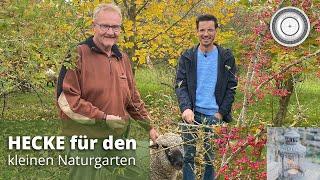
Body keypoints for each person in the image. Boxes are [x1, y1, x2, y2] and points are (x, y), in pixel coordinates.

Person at [56, 4, 158, 179]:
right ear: (94, 26)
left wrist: (148, 126)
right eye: (105, 26)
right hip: (84, 140)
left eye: (115, 27)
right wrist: (103, 118)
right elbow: (67, 100)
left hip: (116, 139)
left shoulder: (122, 59)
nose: (110, 32)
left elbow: (132, 99)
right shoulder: (77, 54)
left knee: (132, 175)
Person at [175, 14, 237, 180]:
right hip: (191, 115)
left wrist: (221, 113)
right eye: (202, 30)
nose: (206, 34)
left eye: (210, 29)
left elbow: (232, 87)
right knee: (188, 155)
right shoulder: (187, 56)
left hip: (214, 116)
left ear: (216, 31)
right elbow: (180, 84)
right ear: (197, 32)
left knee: (211, 159)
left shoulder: (226, 57)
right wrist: (186, 107)